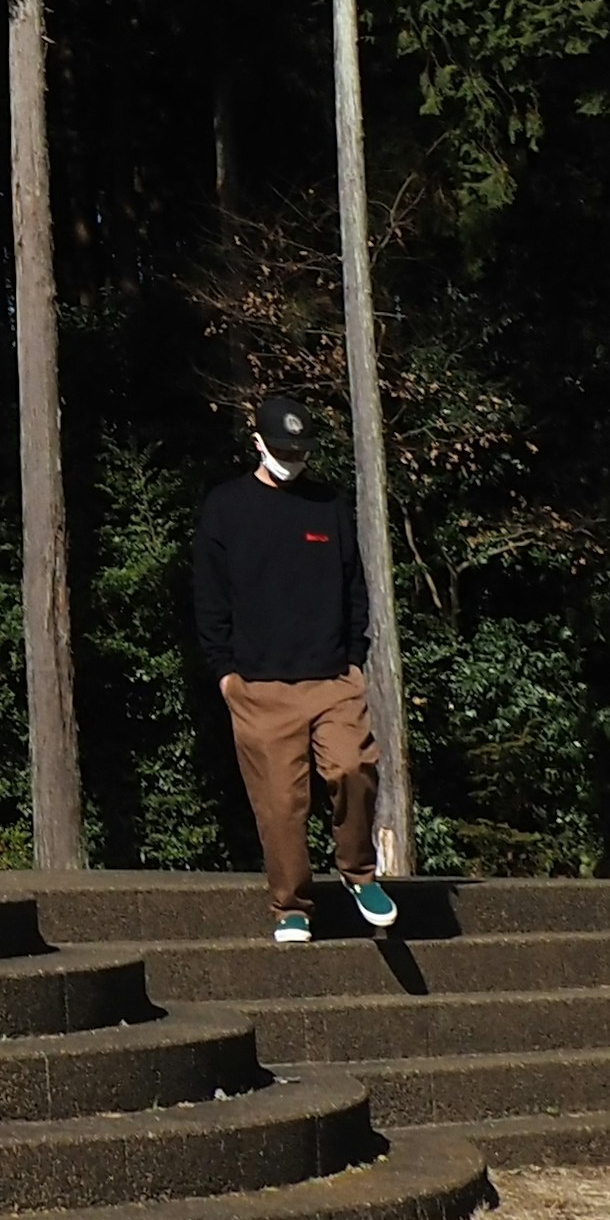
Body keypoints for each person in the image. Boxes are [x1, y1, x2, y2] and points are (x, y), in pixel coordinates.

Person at [194, 390, 400, 941]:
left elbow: (355, 585)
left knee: (353, 769)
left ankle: (359, 873)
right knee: (282, 804)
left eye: (301, 451)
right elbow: (210, 600)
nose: (293, 459)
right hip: (258, 686)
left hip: (333, 678)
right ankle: (292, 906)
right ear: (257, 442)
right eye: (283, 449)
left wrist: (355, 661)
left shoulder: (329, 504)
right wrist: (225, 675)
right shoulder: (225, 508)